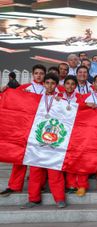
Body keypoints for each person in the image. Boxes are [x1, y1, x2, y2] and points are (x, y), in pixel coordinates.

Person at [0, 64, 47, 197]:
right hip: (23, 128)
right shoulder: (23, 88)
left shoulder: (47, 90)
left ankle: (40, 185)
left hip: (39, 129)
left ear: (44, 75)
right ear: (33, 74)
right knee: (18, 157)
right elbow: (11, 99)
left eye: (41, 73)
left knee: (39, 159)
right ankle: (14, 186)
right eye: (36, 73)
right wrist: (6, 91)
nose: (39, 75)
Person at [20, 73, 66, 209]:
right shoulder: (36, 99)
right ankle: (33, 199)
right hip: (36, 140)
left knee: (54, 171)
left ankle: (59, 198)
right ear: (44, 84)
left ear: (56, 85)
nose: (50, 85)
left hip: (54, 140)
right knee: (35, 171)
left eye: (53, 83)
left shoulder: (61, 100)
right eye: (47, 83)